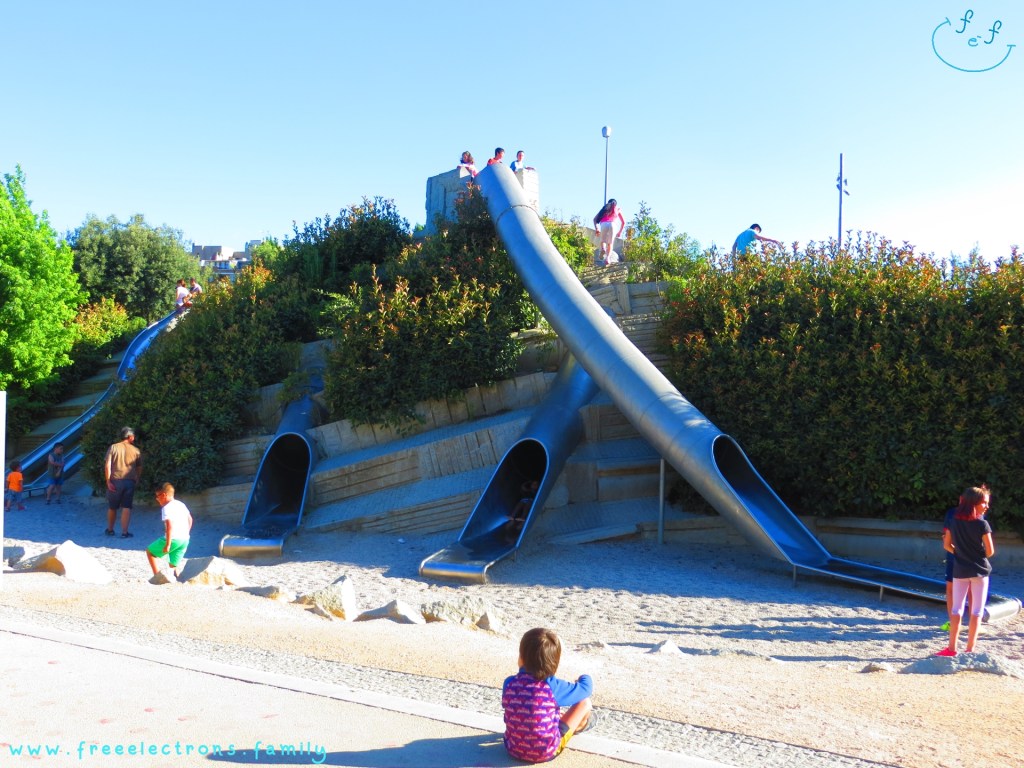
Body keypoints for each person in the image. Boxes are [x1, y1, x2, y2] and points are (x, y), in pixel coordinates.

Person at [503, 627, 594, 763]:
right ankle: (582, 724)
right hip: (545, 752)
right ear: (553, 662)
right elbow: (586, 689)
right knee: (585, 703)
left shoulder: (509, 683)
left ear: (521, 658)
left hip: (512, 748)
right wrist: (584, 676)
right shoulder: (552, 686)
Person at [937, 485, 995, 656]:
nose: (986, 506)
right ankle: (970, 649)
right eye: (984, 503)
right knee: (976, 611)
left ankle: (951, 648)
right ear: (974, 503)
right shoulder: (982, 523)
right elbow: (990, 551)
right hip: (979, 570)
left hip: (960, 569)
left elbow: (946, 545)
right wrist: (976, 555)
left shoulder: (954, 521)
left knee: (956, 610)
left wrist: (961, 553)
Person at [146, 483, 193, 578]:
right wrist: (186, 532)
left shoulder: (166, 508)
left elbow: (169, 526)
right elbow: (190, 519)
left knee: (150, 552)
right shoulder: (181, 504)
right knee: (173, 565)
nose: (157, 499)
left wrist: (168, 544)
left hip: (174, 539)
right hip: (184, 539)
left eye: (158, 496)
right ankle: (177, 578)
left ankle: (157, 576)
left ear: (164, 495)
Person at [104, 426, 142, 538]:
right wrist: (137, 477)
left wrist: (108, 480)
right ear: (130, 437)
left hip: (115, 480)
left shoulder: (113, 447)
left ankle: (110, 529)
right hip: (130, 481)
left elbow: (107, 465)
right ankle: (124, 532)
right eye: (133, 436)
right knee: (127, 507)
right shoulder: (136, 450)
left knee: (112, 507)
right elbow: (139, 467)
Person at [593, 199, 625, 266]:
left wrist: (597, 228)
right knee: (610, 243)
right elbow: (623, 222)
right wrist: (619, 232)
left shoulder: (605, 208)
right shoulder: (617, 209)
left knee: (603, 241)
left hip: (603, 224)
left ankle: (603, 249)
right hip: (613, 225)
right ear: (615, 204)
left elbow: (594, 219)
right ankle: (608, 258)